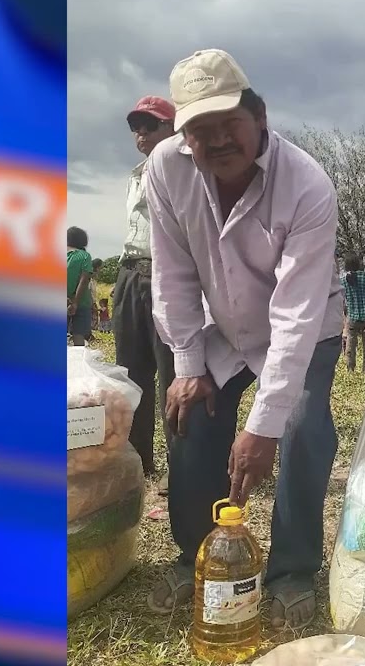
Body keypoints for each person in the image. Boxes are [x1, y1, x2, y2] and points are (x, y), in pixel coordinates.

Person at [145, 49, 344, 629]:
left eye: (228, 123)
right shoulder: (166, 167)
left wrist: (263, 426)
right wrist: (187, 363)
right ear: (184, 136)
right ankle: (194, 552)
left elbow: (297, 313)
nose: (217, 142)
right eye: (199, 132)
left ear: (259, 115)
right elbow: (174, 269)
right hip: (223, 328)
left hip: (304, 328)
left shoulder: (307, 184)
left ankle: (294, 568)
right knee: (191, 411)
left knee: (303, 424)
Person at [114, 95, 179, 492]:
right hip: (128, 272)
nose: (141, 132)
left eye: (150, 125)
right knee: (131, 372)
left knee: (172, 372)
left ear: (172, 128)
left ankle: (180, 463)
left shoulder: (182, 170)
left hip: (164, 273)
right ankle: (137, 460)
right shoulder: (136, 173)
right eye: (136, 125)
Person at [341, 254, 365, 374]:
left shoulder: (343, 280)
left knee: (350, 344)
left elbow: (342, 298)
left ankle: (350, 369)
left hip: (352, 317)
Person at [66, 227, 94, 347]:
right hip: (82, 302)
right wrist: (75, 302)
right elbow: (84, 280)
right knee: (79, 337)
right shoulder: (84, 256)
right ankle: (77, 365)